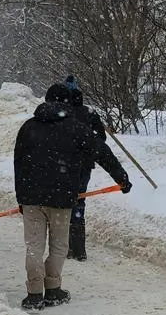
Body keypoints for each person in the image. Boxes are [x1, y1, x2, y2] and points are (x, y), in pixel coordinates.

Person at [13, 80, 133, 311]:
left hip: (31, 197)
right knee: (59, 245)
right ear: (68, 103)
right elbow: (102, 152)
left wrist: (22, 197)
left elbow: (19, 163)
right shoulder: (75, 127)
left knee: (34, 246)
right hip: (61, 197)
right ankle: (53, 289)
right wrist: (121, 178)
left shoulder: (28, 127)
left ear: (46, 100)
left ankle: (34, 294)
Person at [52, 77, 131, 262]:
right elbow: (101, 139)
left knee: (62, 204)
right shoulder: (89, 113)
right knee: (79, 202)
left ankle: (65, 248)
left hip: (63, 166)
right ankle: (79, 250)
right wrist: (87, 147)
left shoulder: (62, 114)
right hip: (84, 166)